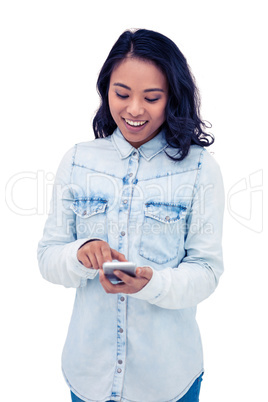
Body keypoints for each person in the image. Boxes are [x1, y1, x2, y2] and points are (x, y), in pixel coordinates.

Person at [37, 28, 224, 402]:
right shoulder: (78, 160)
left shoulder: (199, 169)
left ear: (172, 97)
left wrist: (151, 283)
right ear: (106, 90)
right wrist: (79, 253)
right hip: (89, 374)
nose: (134, 109)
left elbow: (206, 270)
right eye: (121, 94)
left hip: (168, 380)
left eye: (151, 97)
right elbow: (47, 256)